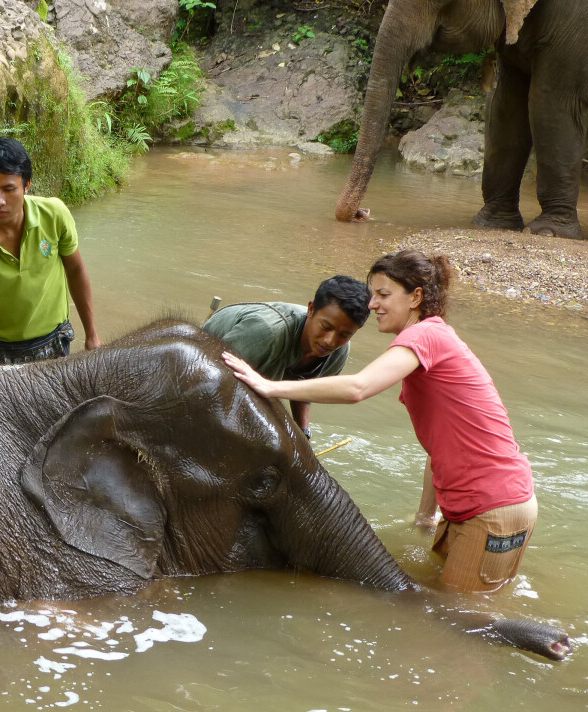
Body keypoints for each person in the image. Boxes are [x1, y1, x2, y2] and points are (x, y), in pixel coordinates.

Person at [224, 250, 536, 593]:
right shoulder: (434, 341)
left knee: (458, 622)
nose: (372, 305)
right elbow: (440, 446)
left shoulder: (424, 337)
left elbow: (359, 388)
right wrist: (425, 515)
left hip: (492, 507)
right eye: (374, 294)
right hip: (477, 508)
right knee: (440, 605)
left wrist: (268, 385)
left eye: (383, 295)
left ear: (416, 297)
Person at [0, 137, 102, 369]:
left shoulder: (54, 215)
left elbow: (76, 269)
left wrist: (92, 335)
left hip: (55, 342)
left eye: (9, 189)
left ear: (27, 184)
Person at [203, 275, 371, 438]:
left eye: (345, 334)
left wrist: (302, 434)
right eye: (326, 327)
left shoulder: (338, 352)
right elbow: (213, 380)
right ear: (311, 309)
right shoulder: (267, 331)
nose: (330, 341)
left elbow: (305, 389)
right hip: (208, 362)